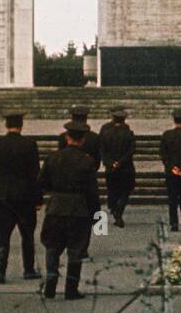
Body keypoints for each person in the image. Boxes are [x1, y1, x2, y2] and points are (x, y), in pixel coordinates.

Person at [38, 120, 100, 300]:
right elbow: (92, 193)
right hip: (79, 209)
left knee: (52, 246)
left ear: (66, 137)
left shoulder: (52, 158)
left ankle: (50, 281)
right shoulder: (87, 161)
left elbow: (42, 183)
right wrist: (97, 217)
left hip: (56, 206)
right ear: (83, 140)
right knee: (76, 249)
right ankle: (71, 289)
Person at [0, 111, 40, 282]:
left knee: (3, 235)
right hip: (24, 195)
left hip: (2, 194)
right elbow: (34, 173)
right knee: (27, 235)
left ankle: (0, 272)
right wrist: (38, 198)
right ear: (21, 125)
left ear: (6, 125)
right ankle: (28, 269)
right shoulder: (29, 144)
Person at [57, 106, 100, 259]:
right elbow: (97, 162)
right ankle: (82, 248)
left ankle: (68, 245)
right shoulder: (94, 137)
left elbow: (60, 158)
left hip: (65, 182)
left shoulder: (63, 137)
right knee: (86, 217)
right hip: (86, 180)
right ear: (86, 118)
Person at [98, 106, 136, 228]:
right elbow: (131, 151)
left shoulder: (106, 133)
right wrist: (120, 162)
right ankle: (118, 211)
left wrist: (110, 163)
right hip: (125, 167)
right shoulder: (128, 133)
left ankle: (114, 208)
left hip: (111, 167)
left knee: (112, 189)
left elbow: (102, 150)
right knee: (125, 190)